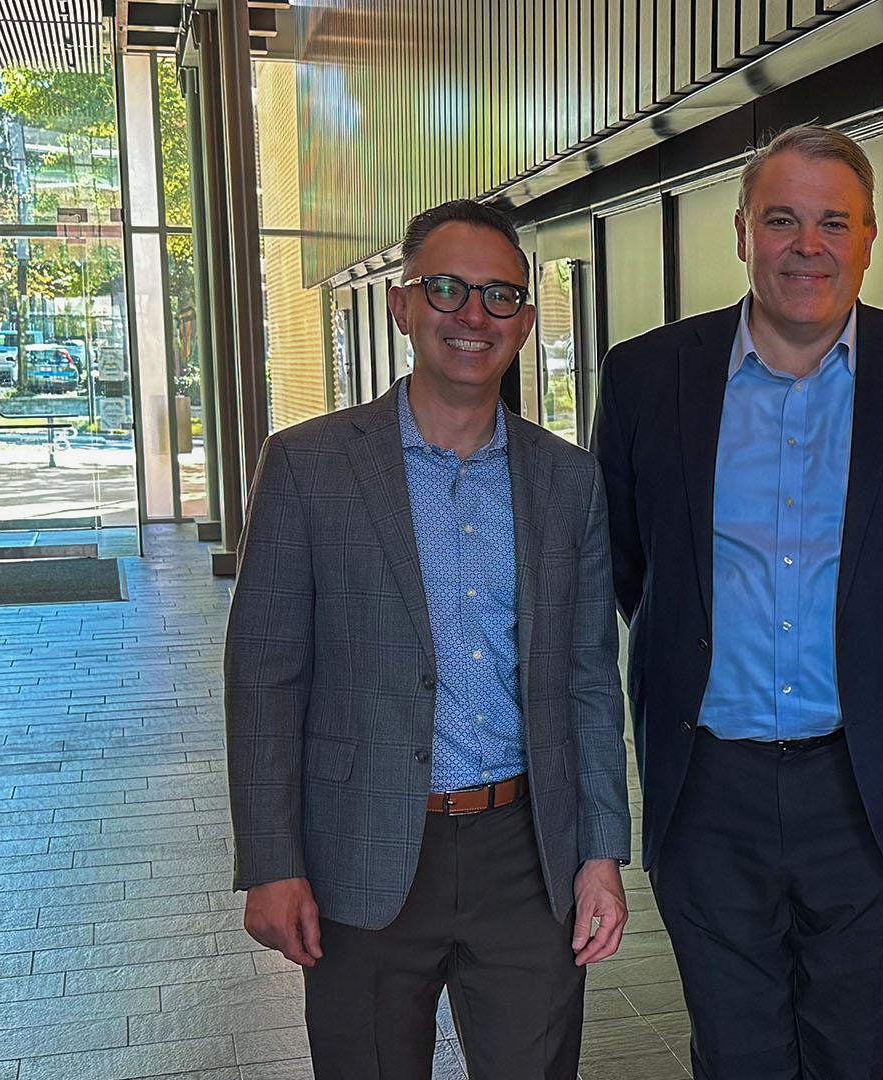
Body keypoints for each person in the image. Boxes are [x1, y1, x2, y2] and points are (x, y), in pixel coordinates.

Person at [591, 123, 883, 1079]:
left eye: (834, 222)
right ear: (741, 232)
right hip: (708, 789)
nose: (807, 245)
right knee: (735, 1053)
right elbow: (630, 569)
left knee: (864, 1052)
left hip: (870, 786)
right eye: (781, 219)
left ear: (871, 238)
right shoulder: (645, 377)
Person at [225, 199, 631, 1079]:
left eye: (498, 296)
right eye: (446, 289)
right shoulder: (308, 466)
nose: (471, 316)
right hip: (359, 852)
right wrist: (270, 860)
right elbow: (264, 675)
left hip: (528, 857)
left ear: (525, 322)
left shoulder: (569, 480)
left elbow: (591, 678)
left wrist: (601, 852)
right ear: (403, 305)